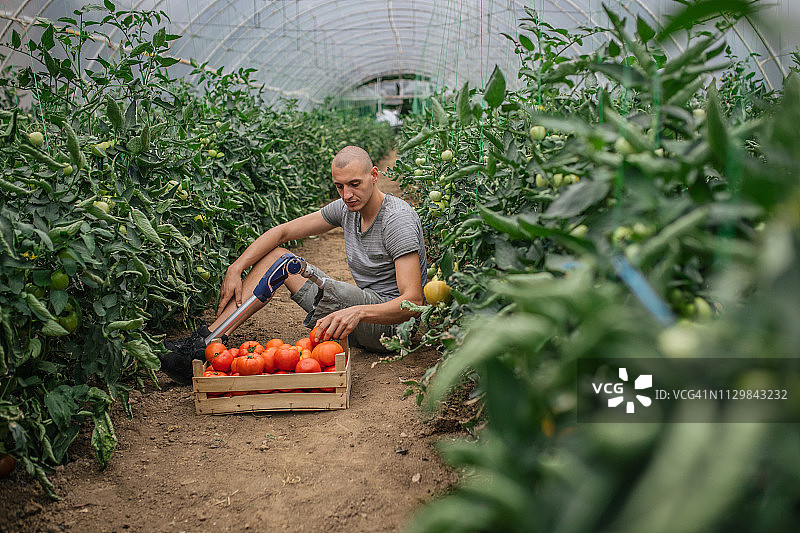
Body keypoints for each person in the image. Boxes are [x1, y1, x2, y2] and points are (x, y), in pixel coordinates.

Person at [160, 145, 427, 383]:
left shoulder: (396, 221)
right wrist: (236, 267)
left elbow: (413, 303)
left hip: (391, 329)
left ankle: (207, 342)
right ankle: (209, 341)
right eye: (339, 186)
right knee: (277, 258)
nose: (347, 194)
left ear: (375, 176)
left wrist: (357, 312)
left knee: (285, 262)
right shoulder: (347, 209)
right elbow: (282, 232)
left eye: (355, 184)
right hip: (357, 319)